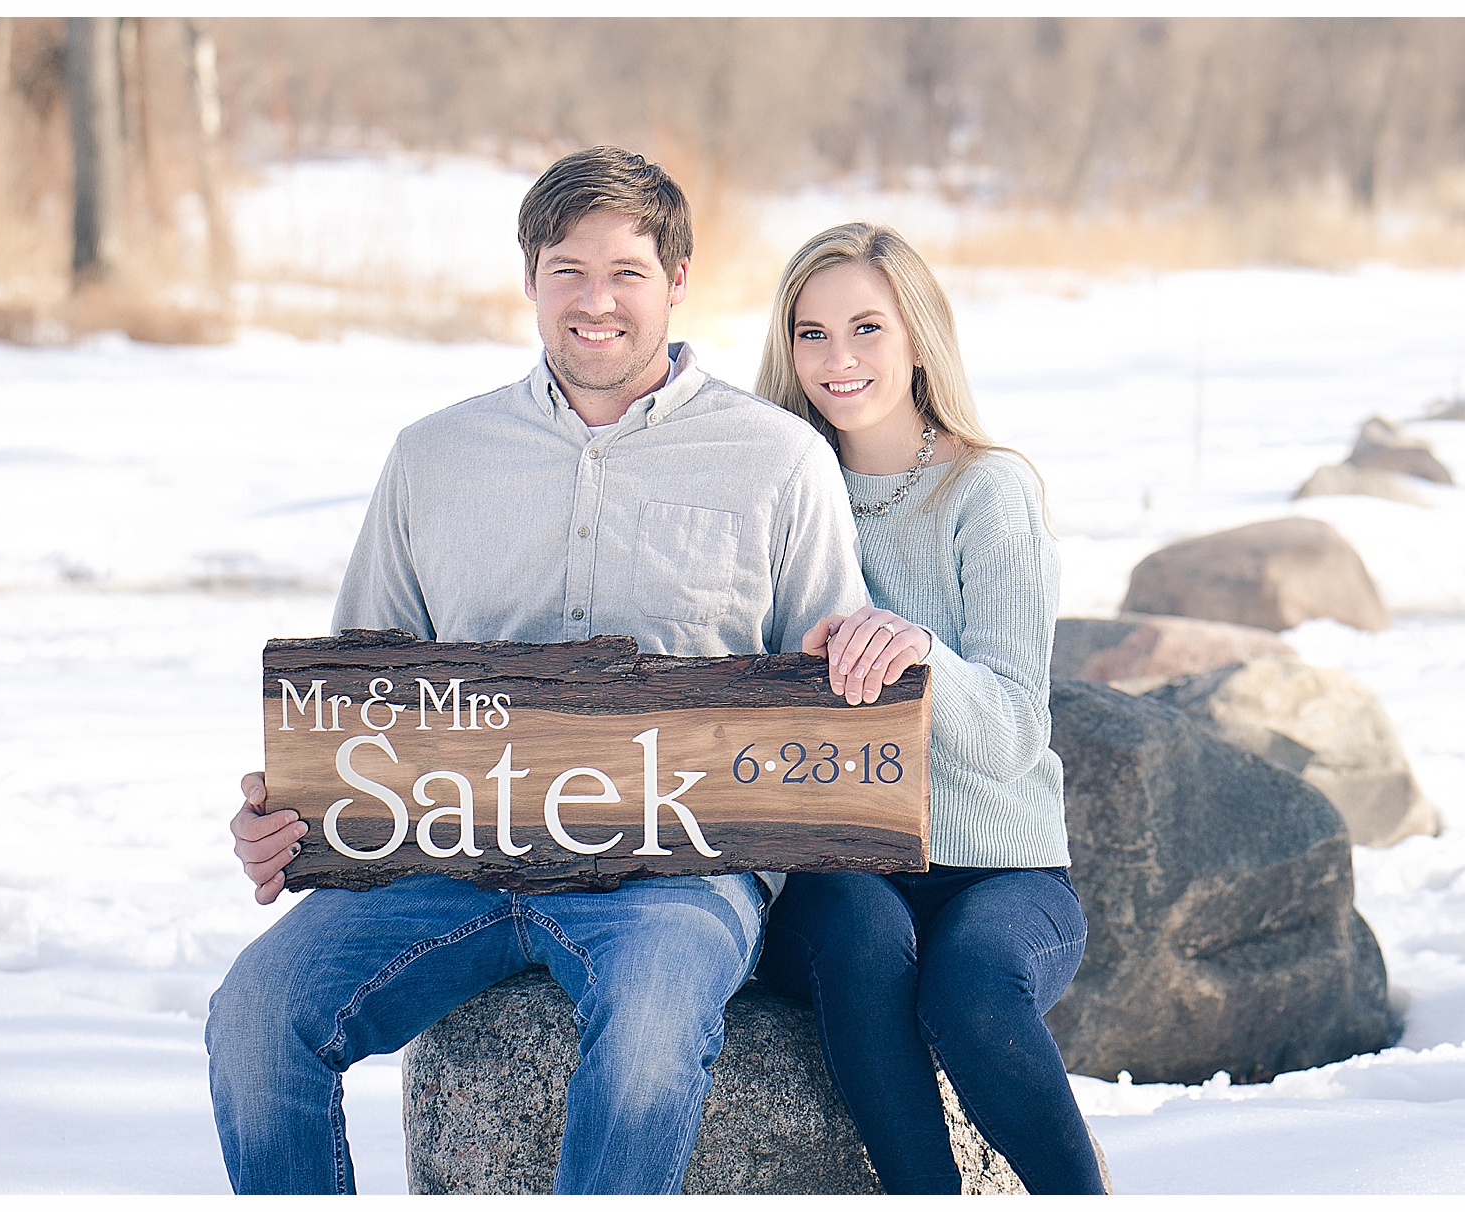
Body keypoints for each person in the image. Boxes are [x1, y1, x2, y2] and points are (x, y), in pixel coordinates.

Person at [208, 147, 869, 1195]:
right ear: (529, 278)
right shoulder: (435, 456)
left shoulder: (778, 460)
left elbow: (825, 707)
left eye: (626, 273)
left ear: (678, 282)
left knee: (652, 1032)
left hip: (675, 874)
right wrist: (296, 813)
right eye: (567, 269)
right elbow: (360, 698)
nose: (594, 301)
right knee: (251, 1017)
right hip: (447, 865)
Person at [752, 223, 1107, 1195]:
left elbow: (1011, 739)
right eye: (811, 332)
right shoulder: (771, 487)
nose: (839, 358)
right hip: (840, 866)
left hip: (999, 868)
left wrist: (921, 656)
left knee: (971, 984)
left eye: (867, 326)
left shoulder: (985, 492)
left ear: (919, 337)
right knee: (864, 932)